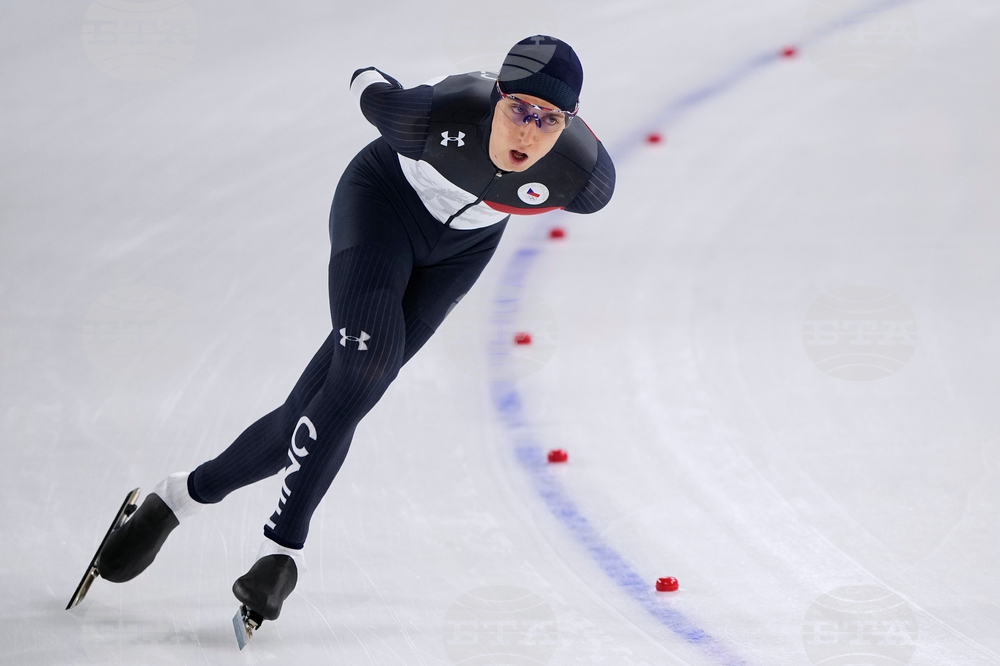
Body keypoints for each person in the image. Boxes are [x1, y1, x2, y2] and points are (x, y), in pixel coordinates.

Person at [91, 35, 615, 623]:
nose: (530, 132)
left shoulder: (583, 178)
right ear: (496, 97)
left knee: (312, 414)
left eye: (550, 120)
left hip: (458, 254)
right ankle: (283, 551)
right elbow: (367, 81)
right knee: (364, 371)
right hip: (382, 208)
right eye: (520, 109)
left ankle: (178, 495)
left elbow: (579, 172)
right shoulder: (432, 116)